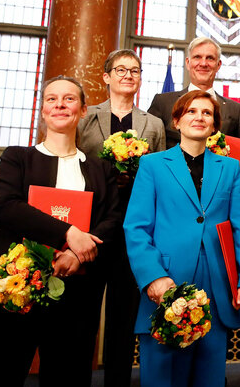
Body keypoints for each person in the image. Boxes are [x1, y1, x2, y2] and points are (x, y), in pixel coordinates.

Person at [0, 76, 120, 386]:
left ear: (82, 110)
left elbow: (111, 220)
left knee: (67, 376)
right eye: (51, 99)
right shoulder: (18, 158)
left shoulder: (100, 169)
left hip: (78, 289)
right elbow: (8, 209)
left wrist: (77, 256)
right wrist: (69, 234)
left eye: (69, 99)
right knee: (2, 372)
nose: (59, 105)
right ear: (43, 110)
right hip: (20, 282)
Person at [124, 90, 240, 387]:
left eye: (207, 113)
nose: (199, 117)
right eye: (192, 111)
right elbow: (136, 227)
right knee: (162, 375)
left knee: (209, 376)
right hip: (166, 281)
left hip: (217, 283)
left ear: (214, 126)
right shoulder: (152, 165)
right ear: (176, 121)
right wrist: (153, 276)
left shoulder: (230, 168)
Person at [77, 48, 165, 387]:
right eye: (121, 69)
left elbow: (158, 176)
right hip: (92, 225)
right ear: (106, 77)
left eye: (135, 70)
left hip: (134, 228)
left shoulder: (153, 124)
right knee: (83, 313)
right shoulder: (86, 118)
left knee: (124, 314)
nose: (128, 75)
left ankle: (117, 382)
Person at [148, 37, 240, 186]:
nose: (203, 63)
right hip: (170, 188)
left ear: (218, 65)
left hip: (218, 191)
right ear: (188, 63)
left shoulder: (235, 109)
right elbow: (150, 148)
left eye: (210, 58)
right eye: (197, 57)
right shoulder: (163, 102)